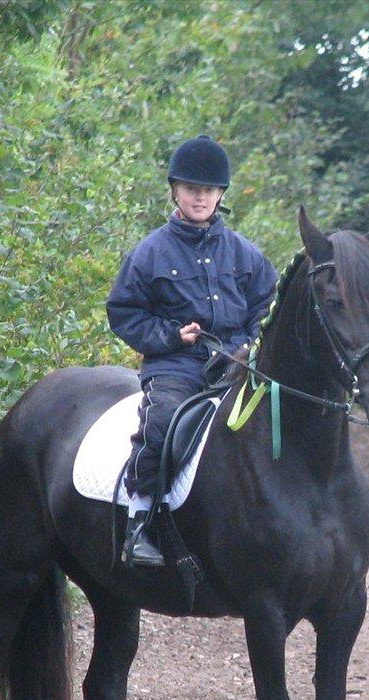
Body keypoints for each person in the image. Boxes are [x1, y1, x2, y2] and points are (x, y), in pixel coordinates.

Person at [106, 135, 278, 567]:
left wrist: (245, 347)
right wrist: (169, 336)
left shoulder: (246, 254)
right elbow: (124, 312)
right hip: (176, 368)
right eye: (190, 189)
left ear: (221, 194)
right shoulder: (149, 253)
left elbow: (267, 307)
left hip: (237, 366)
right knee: (161, 423)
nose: (199, 197)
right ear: (175, 191)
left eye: (208, 190)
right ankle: (140, 522)